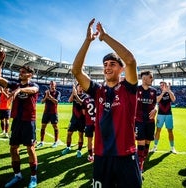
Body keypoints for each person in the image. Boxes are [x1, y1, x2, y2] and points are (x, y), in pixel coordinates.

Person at [71, 18, 142, 187]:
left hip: (126, 155)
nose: (107, 67)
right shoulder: (97, 90)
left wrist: (104, 37)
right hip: (102, 156)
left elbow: (130, 60)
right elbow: (76, 71)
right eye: (105, 64)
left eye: (112, 64)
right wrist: (88, 41)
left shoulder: (128, 88)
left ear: (121, 69)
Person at [0, 51, 39, 188]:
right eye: (20, 71)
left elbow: (33, 90)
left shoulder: (35, 85)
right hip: (17, 121)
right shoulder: (14, 84)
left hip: (29, 121)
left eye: (24, 71)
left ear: (30, 74)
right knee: (13, 148)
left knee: (30, 148)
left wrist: (20, 90)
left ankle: (33, 177)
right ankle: (17, 175)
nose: (21, 73)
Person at [135, 71, 157, 173]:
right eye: (150, 77)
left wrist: (155, 109)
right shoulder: (136, 89)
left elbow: (155, 103)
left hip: (150, 122)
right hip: (139, 121)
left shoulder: (154, 91)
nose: (152, 79)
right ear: (144, 79)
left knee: (147, 143)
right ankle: (140, 166)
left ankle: (142, 159)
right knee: (141, 143)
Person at [61, 83, 86, 158]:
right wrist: (73, 93)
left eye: (82, 86)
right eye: (79, 86)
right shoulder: (74, 95)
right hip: (74, 119)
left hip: (82, 120)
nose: (81, 88)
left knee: (80, 135)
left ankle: (79, 150)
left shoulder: (86, 96)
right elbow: (69, 100)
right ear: (77, 88)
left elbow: (82, 102)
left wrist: (76, 95)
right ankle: (68, 147)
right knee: (69, 133)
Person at [151, 81, 176, 154]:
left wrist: (169, 91)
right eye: (161, 85)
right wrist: (163, 92)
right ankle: (155, 147)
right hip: (160, 114)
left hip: (168, 114)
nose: (162, 86)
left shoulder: (169, 92)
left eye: (163, 85)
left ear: (166, 85)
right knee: (158, 130)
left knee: (170, 131)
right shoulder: (158, 93)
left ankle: (172, 147)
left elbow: (174, 99)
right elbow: (157, 100)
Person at [36, 81, 61, 148]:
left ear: (55, 85)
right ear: (49, 85)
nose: (52, 85)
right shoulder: (46, 92)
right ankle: (41, 142)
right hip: (46, 112)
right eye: (51, 84)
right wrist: (46, 97)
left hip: (53, 112)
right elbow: (42, 102)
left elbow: (56, 102)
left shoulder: (57, 92)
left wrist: (49, 96)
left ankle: (56, 142)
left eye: (53, 84)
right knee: (43, 126)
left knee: (55, 127)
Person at [82, 93, 96, 162]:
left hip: (89, 123)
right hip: (98, 123)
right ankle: (99, 154)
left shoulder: (85, 100)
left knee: (89, 141)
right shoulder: (99, 98)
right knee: (100, 140)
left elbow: (84, 112)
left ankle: (91, 156)